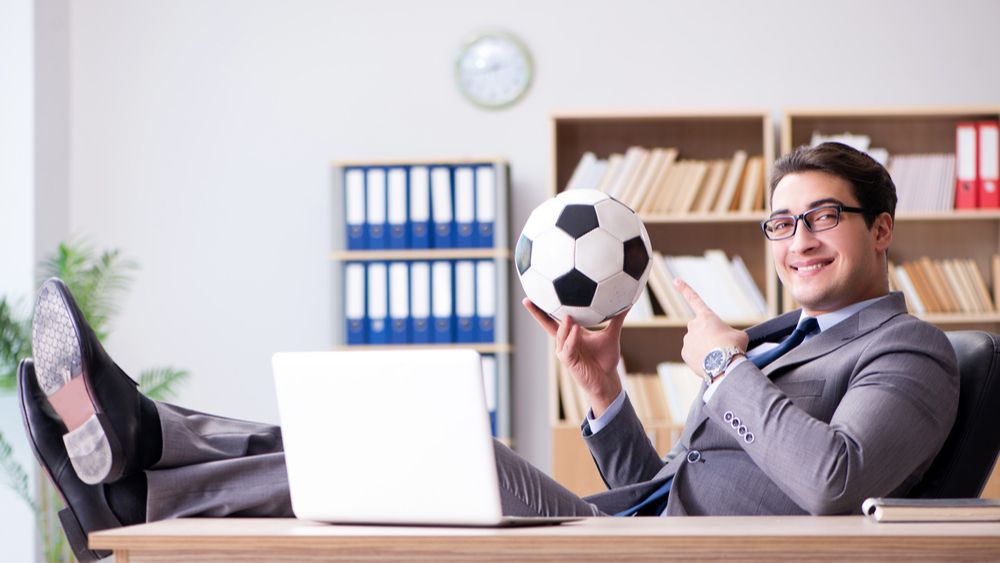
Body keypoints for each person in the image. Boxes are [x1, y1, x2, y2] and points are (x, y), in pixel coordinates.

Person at [19, 142, 959, 562]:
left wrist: (721, 365)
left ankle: (142, 455)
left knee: (421, 465)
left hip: (671, 553)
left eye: (822, 217)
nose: (797, 239)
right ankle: (145, 451)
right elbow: (659, 483)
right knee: (367, 458)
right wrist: (599, 392)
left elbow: (835, 481)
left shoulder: (911, 351)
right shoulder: (786, 341)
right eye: (783, 220)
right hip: (634, 529)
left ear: (881, 231)